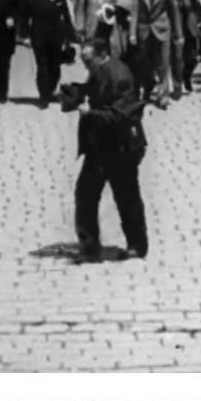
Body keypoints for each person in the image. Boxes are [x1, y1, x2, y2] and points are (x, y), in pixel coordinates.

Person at [62, 32, 150, 263]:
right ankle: (89, 244)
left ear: (103, 56)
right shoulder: (99, 71)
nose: (85, 64)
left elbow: (119, 116)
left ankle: (137, 246)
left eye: (88, 60)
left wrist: (89, 113)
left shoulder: (119, 76)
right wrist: (74, 93)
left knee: (127, 196)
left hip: (121, 147)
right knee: (86, 193)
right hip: (99, 145)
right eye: (83, 60)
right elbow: (92, 90)